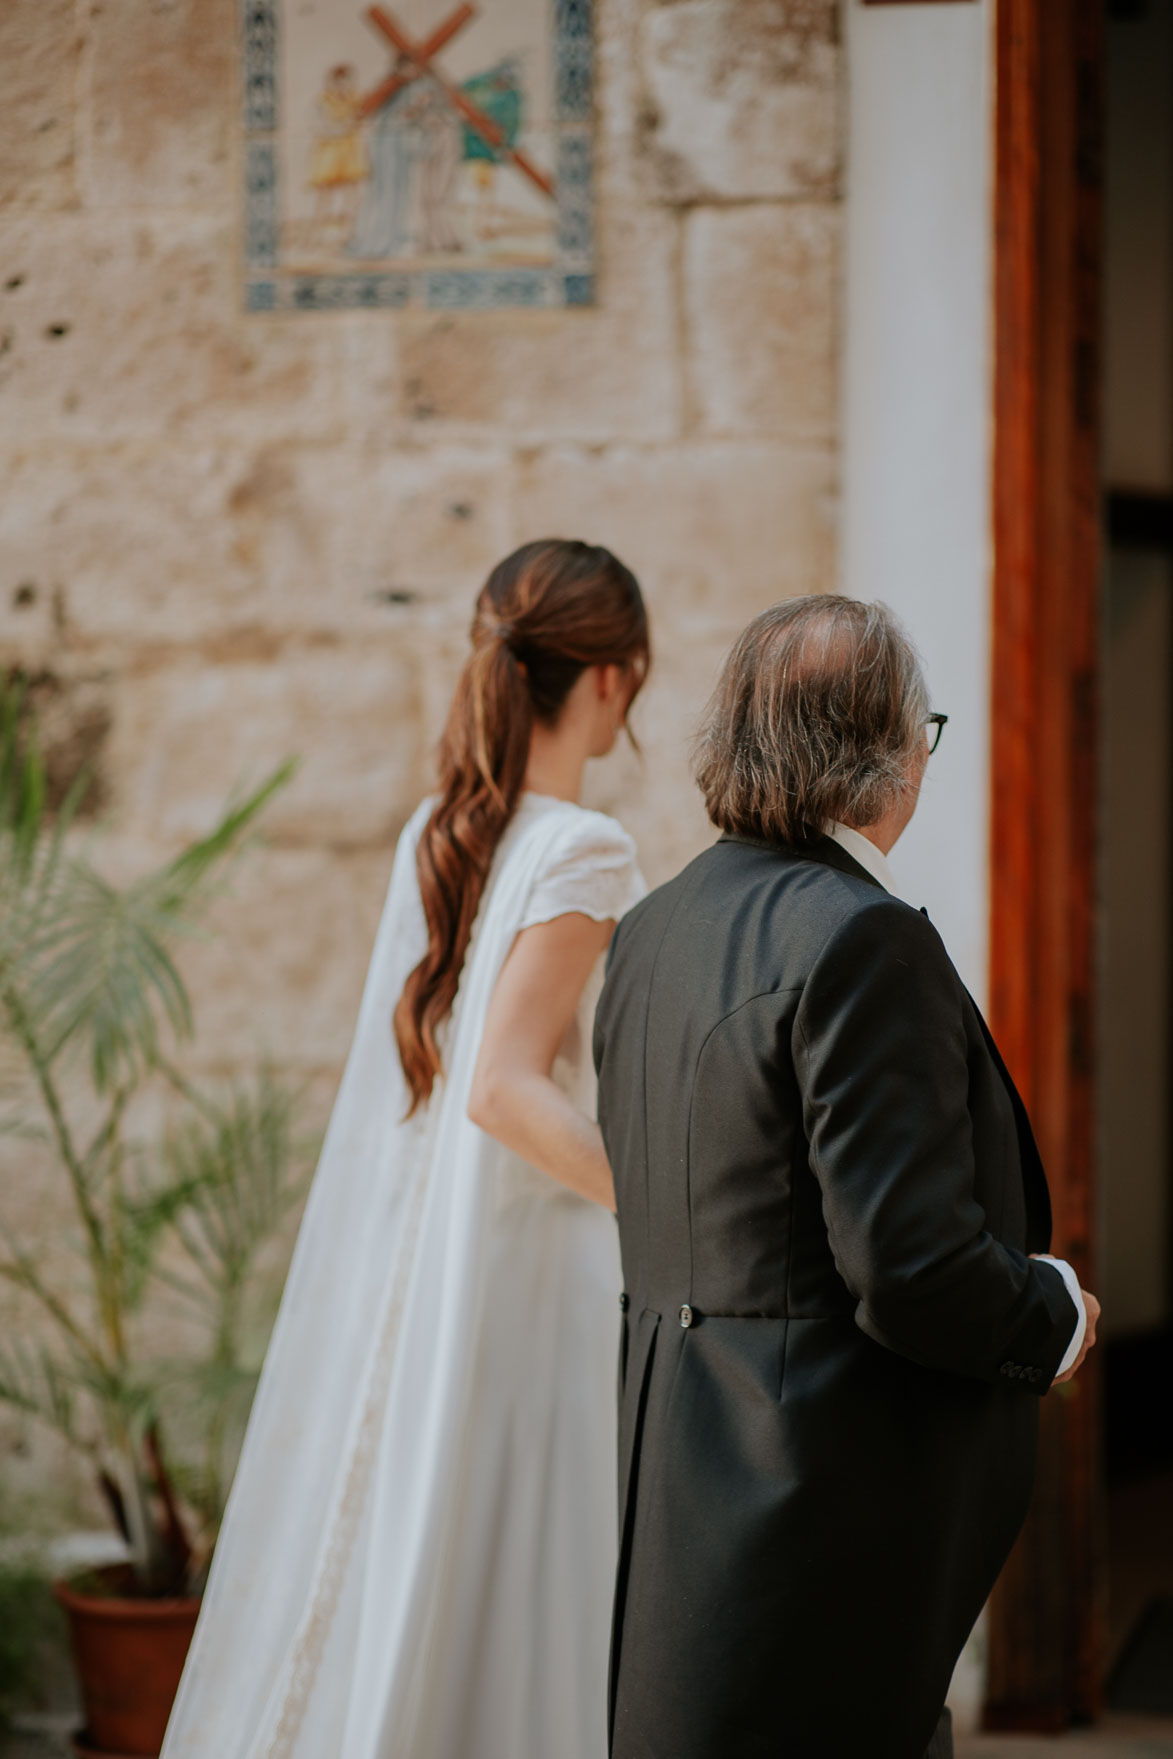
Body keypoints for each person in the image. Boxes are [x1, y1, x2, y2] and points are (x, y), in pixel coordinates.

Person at [162, 540, 649, 1759]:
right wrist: (663, 1203)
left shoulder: (440, 828)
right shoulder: (584, 849)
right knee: (522, 1570)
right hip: (531, 1277)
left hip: (427, 1257)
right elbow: (499, 1088)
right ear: (610, 679)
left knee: (423, 1556)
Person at [593, 596, 1100, 1759]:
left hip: (676, 1483)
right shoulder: (860, 937)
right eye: (927, 727)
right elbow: (910, 1266)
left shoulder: (653, 929)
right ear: (889, 757)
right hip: (815, 1496)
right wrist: (1053, 1315)